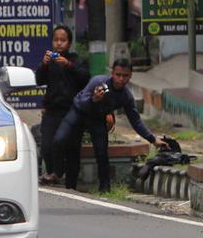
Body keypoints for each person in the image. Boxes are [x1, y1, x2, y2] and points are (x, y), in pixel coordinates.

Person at [51, 58, 167, 192]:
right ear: (112, 73)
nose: (121, 79)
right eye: (118, 75)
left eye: (125, 76)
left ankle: (105, 189)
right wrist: (94, 99)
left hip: (97, 118)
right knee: (59, 140)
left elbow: (135, 121)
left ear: (130, 76)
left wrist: (153, 139)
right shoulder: (98, 81)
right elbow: (82, 102)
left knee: (101, 152)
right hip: (79, 112)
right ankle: (57, 173)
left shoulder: (126, 96)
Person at [34, 25, 90, 185]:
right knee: (46, 145)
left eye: (63, 40)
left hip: (72, 110)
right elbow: (39, 80)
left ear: (69, 42)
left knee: (71, 148)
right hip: (52, 109)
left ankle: (71, 183)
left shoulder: (76, 60)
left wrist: (68, 65)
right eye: (56, 40)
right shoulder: (49, 61)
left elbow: (85, 78)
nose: (59, 43)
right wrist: (43, 65)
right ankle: (54, 173)